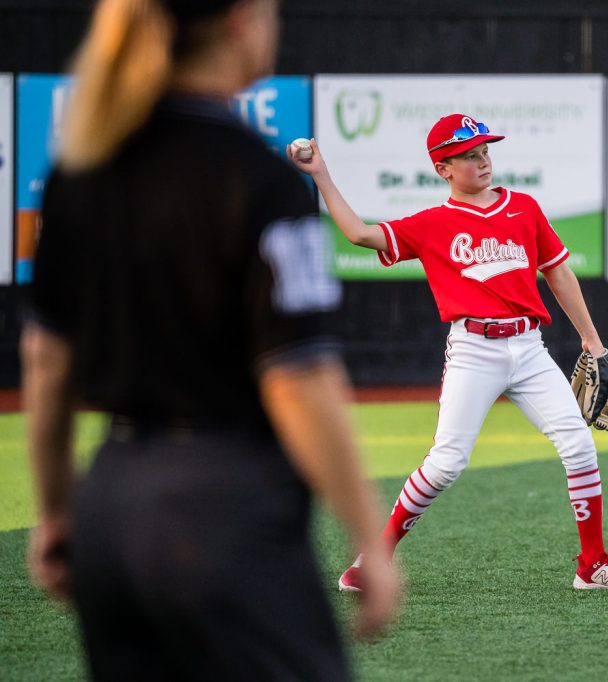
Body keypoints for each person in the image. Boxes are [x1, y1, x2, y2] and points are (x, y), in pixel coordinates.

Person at [22, 0, 399, 679]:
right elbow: (298, 381)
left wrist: (55, 512)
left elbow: (48, 362)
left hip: (111, 500)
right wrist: (367, 535)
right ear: (240, 21)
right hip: (224, 508)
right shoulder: (261, 180)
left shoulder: (80, 173)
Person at [289, 115, 608, 591]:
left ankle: (593, 565)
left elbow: (559, 274)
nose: (482, 160)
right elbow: (360, 234)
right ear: (443, 168)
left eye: (484, 151)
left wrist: (593, 340)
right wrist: (321, 174)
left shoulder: (523, 208)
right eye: (468, 154)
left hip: (529, 349)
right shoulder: (432, 224)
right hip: (473, 350)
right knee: (446, 463)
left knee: (579, 445)